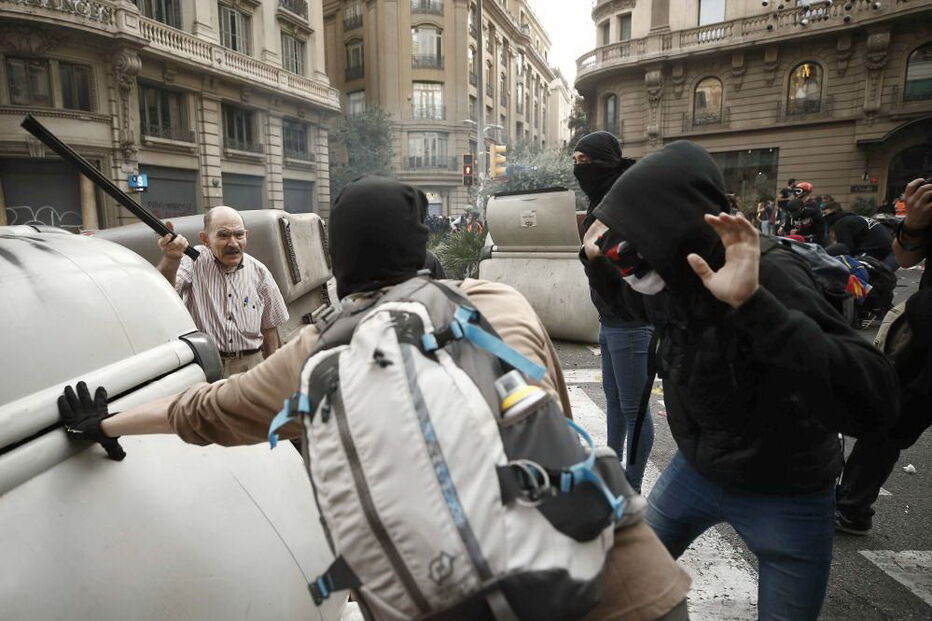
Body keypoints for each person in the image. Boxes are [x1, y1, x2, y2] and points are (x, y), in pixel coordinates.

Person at [60, 176, 692, 621]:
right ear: (422, 245)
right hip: (625, 587)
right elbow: (550, 420)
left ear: (342, 260)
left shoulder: (318, 352)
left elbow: (204, 413)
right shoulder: (497, 303)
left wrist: (106, 422)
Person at [582, 141, 898, 620]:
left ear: (675, 223)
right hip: (697, 469)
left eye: (633, 236)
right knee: (622, 587)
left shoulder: (768, 271)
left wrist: (755, 306)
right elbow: (636, 306)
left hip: (788, 491)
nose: (623, 253)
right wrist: (596, 264)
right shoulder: (676, 269)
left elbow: (875, 402)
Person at [835, 177, 932, 535]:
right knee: (891, 416)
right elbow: (907, 256)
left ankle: (851, 506)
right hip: (924, 335)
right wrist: (915, 224)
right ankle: (852, 506)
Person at [573, 131, 653, 492]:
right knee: (616, 402)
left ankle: (630, 486)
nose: (580, 168)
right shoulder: (603, 197)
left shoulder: (625, 200)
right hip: (610, 319)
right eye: (576, 161)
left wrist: (594, 260)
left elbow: (628, 263)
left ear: (606, 160)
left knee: (634, 409)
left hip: (631, 320)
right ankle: (612, 468)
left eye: (586, 161)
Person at [157, 206, 289, 377]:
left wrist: (273, 376)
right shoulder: (193, 261)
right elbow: (165, 292)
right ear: (205, 239)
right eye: (223, 235)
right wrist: (171, 259)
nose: (233, 243)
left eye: (239, 235)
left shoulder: (259, 272)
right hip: (207, 367)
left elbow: (270, 330)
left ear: (246, 235)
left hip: (251, 367)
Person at [822, 201, 897, 269]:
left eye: (825, 213)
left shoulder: (841, 224)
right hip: (887, 248)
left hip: (874, 249)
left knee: (856, 269)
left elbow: (845, 248)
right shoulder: (852, 219)